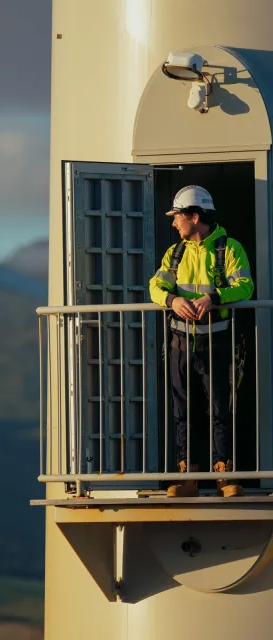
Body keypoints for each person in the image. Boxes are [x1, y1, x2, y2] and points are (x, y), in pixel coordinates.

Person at [149, 185, 254, 498]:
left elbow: (246, 287)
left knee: (220, 409)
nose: (173, 223)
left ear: (195, 217)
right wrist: (171, 301)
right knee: (183, 411)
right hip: (180, 345)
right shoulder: (175, 253)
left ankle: (225, 476)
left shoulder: (229, 248)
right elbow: (155, 286)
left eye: (177, 216)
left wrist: (214, 298)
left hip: (218, 345)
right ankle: (188, 478)